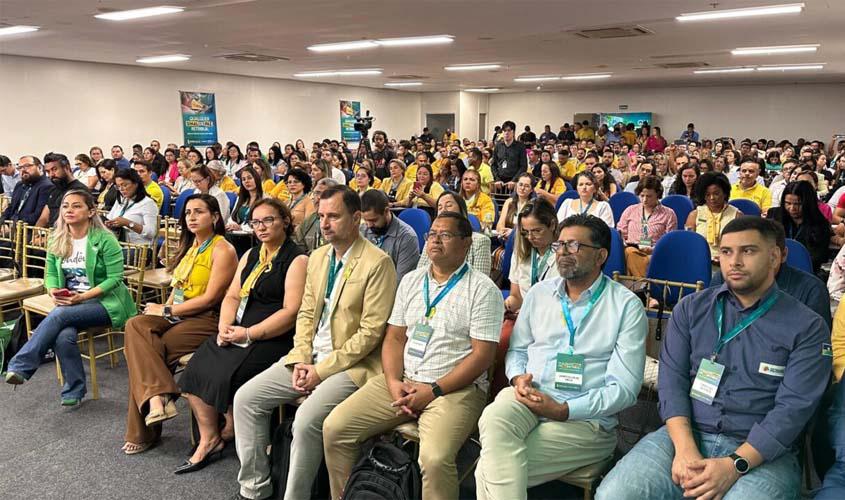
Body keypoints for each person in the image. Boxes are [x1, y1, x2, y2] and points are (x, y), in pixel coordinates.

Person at [596, 217, 831, 500]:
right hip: (685, 435)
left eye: (748, 251)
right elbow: (672, 384)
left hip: (762, 453)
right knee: (615, 494)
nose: (734, 261)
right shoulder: (691, 310)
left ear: (776, 256)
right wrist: (685, 450)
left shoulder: (807, 326)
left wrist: (735, 465)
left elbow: (792, 410)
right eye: (727, 251)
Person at [231, 186, 396, 500]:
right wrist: (302, 357)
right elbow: (306, 314)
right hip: (309, 358)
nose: (324, 223)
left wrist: (320, 371)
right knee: (245, 399)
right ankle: (255, 488)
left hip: (351, 365)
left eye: (333, 216)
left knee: (306, 420)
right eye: (321, 216)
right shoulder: (318, 258)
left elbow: (371, 334)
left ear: (357, 218)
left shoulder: (378, 263)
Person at [323, 211, 503, 499]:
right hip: (403, 381)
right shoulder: (411, 281)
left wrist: (432, 391)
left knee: (433, 459)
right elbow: (394, 337)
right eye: (431, 234)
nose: (435, 240)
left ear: (466, 243)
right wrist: (394, 381)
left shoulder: (483, 290)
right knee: (335, 428)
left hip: (455, 390)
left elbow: (482, 357)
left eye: (445, 235)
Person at [476, 213, 647, 499]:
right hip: (528, 398)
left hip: (585, 422)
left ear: (601, 255)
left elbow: (625, 390)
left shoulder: (625, 306)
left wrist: (563, 410)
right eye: (560, 245)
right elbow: (518, 350)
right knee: (494, 416)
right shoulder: (540, 294)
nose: (564, 253)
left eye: (574, 246)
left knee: (490, 467)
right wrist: (518, 377)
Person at [177, 198, 307, 475]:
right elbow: (233, 295)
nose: (261, 227)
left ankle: (233, 424)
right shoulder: (251, 255)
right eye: (256, 222)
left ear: (285, 221)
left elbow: (291, 311)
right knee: (192, 373)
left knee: (230, 375)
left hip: (271, 336)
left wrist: (248, 333)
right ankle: (210, 436)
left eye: (268, 220)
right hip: (236, 330)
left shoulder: (297, 259)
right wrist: (224, 327)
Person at [121, 194, 237, 454]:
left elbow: (211, 299)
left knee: (146, 352)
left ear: (215, 217)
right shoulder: (191, 247)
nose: (192, 217)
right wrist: (164, 314)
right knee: (136, 326)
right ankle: (157, 400)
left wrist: (166, 309)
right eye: (188, 213)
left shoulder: (223, 249)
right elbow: (178, 289)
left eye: (199, 212)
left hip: (208, 318)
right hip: (181, 314)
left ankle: (147, 424)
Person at [5, 190, 136, 406]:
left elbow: (115, 278)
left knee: (59, 316)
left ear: (91, 211)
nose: (69, 210)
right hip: (70, 303)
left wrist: (82, 296)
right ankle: (74, 390)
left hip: (105, 302)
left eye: (76, 206)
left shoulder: (104, 239)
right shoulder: (58, 239)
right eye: (66, 206)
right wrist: (53, 290)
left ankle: (21, 365)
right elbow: (51, 274)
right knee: (62, 336)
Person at [504, 199, 560, 314]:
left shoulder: (565, 255)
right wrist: (507, 305)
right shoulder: (521, 252)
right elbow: (516, 297)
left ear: (552, 225)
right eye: (525, 232)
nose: (530, 237)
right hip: (525, 316)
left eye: (537, 231)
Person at [418, 191, 492, 276]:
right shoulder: (431, 239)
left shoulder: (480, 241)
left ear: (462, 210)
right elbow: (419, 273)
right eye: (440, 207)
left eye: (449, 206)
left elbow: (481, 280)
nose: (443, 210)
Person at [766, 181, 831, 273]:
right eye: (788, 203)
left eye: (798, 204)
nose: (792, 208)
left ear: (808, 203)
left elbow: (818, 257)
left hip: (804, 272)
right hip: (774, 268)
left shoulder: (820, 224)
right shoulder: (774, 215)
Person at [617, 176, 677, 277]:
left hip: (654, 253)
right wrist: (625, 243)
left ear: (657, 195)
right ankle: (644, 285)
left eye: (649, 196)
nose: (644, 200)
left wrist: (653, 249)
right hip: (631, 248)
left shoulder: (668, 214)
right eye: (642, 195)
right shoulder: (630, 210)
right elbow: (620, 233)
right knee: (629, 252)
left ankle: (637, 286)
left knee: (631, 255)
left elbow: (670, 241)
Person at [360, 190, 420, 284]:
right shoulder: (363, 230)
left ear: (386, 211)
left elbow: (401, 284)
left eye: (373, 220)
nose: (369, 225)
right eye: (365, 220)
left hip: (388, 291)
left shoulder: (407, 238)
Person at [686, 172, 743, 260]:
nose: (712, 198)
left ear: (725, 193)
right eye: (707, 195)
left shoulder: (737, 215)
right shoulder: (694, 215)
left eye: (716, 194)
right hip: (699, 260)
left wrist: (726, 256)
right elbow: (689, 243)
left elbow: (742, 245)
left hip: (728, 261)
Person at [105, 168, 158, 247]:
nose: (121, 189)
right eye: (118, 186)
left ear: (136, 183)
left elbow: (151, 233)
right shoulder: (121, 200)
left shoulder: (148, 203)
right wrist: (108, 223)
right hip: (118, 244)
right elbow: (110, 217)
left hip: (137, 248)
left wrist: (128, 223)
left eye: (124, 185)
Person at [40, 152, 89, 228]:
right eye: (48, 172)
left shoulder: (79, 191)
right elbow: (44, 218)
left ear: (67, 167)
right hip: (50, 234)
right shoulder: (54, 189)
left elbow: (74, 222)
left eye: (54, 169)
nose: (51, 175)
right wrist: (36, 234)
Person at [0, 155, 52, 226]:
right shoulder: (20, 185)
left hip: (28, 229)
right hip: (13, 226)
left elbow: (37, 215)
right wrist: (2, 222)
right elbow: (11, 207)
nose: (23, 170)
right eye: (20, 168)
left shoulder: (46, 186)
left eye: (27, 166)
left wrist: (13, 224)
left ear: (39, 167)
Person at [293, 178, 338, 254]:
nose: (319, 197)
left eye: (324, 194)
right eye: (316, 193)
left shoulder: (340, 221)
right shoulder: (309, 220)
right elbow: (298, 245)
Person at [497, 173, 536, 241]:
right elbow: (500, 225)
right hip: (506, 238)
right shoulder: (509, 202)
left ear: (532, 189)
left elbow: (530, 230)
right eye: (520, 184)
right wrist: (503, 232)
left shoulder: (534, 205)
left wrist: (513, 233)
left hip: (523, 240)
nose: (522, 188)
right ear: (516, 185)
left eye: (527, 186)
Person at [227, 166, 266, 231]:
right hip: (238, 234)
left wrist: (241, 228)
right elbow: (232, 217)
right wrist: (232, 225)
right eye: (243, 179)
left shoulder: (265, 199)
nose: (246, 181)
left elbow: (261, 223)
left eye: (249, 178)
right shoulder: (241, 198)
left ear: (256, 179)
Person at [492, 120, 528, 187]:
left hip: (514, 182)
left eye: (509, 130)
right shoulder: (498, 146)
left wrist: (514, 180)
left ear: (513, 132)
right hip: (500, 182)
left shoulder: (520, 146)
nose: (506, 133)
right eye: (504, 131)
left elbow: (523, 166)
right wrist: (497, 179)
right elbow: (493, 165)